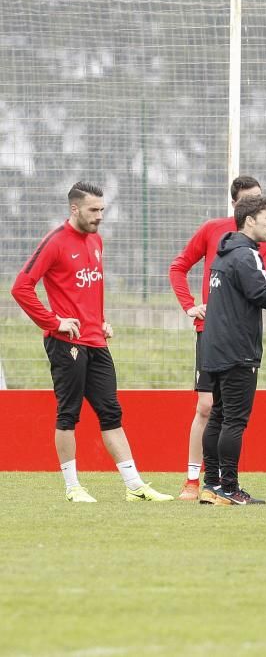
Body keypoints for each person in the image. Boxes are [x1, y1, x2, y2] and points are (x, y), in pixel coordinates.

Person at [10, 182, 173, 502]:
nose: (100, 216)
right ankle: (73, 487)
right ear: (75, 209)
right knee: (68, 414)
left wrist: (99, 321)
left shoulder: (96, 241)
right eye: (93, 210)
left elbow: (88, 290)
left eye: (102, 210)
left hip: (96, 341)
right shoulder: (55, 242)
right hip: (65, 342)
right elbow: (21, 287)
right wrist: (54, 321)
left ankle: (134, 486)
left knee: (111, 412)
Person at [168, 175, 266, 501]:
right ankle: (198, 481)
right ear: (237, 208)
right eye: (252, 202)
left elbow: (259, 285)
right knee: (208, 408)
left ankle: (214, 484)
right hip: (212, 333)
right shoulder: (211, 230)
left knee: (219, 410)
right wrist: (190, 306)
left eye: (262, 200)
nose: (261, 209)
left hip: (237, 330)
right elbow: (178, 267)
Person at [197, 195, 266, 505]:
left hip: (215, 348)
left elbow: (254, 290)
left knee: (219, 416)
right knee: (234, 420)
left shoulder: (225, 253)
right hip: (238, 352)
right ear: (250, 221)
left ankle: (211, 485)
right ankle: (229, 489)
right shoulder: (246, 255)